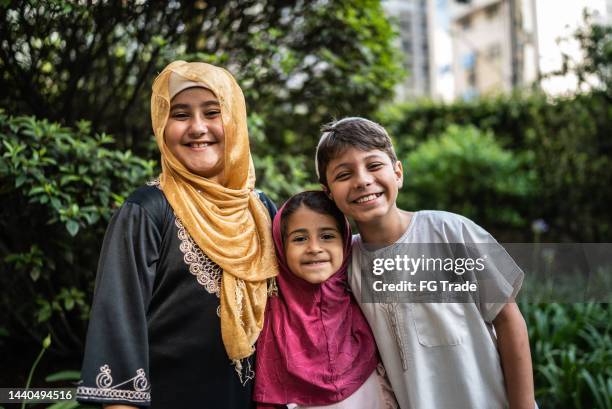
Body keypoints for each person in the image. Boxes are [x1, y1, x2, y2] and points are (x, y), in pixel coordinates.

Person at [76, 61, 278, 408]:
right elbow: (118, 326)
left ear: (235, 120)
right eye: (180, 114)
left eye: (213, 112)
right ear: (162, 126)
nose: (198, 128)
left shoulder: (261, 211)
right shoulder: (147, 211)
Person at [314, 117, 537, 409]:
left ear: (398, 173)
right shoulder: (345, 264)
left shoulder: (451, 232)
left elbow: (508, 320)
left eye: (374, 165)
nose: (362, 180)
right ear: (329, 194)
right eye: (344, 175)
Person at [253, 191, 397, 409]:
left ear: (345, 241)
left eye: (327, 236)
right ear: (281, 247)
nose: (314, 248)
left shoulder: (369, 299)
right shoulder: (264, 317)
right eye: (300, 239)